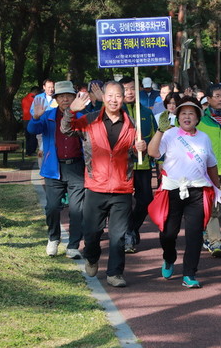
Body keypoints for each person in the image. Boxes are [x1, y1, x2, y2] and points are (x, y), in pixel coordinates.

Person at [61, 81, 146, 288]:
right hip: (95, 187)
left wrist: (140, 147)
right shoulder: (90, 120)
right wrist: (70, 112)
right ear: (103, 97)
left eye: (118, 95)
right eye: (110, 95)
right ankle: (91, 257)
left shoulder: (133, 124)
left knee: (117, 236)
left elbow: (138, 153)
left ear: (123, 98)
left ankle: (115, 273)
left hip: (122, 189)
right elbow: (66, 130)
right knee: (91, 234)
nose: (114, 100)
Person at [147, 96, 221, 288]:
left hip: (197, 192)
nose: (187, 117)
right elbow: (153, 152)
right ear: (178, 117)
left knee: (195, 234)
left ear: (198, 118)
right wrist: (160, 131)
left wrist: (218, 190)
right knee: (168, 233)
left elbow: (211, 165)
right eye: (183, 113)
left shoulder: (204, 138)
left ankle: (189, 274)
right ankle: (169, 257)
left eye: (191, 113)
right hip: (172, 191)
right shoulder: (170, 134)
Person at [27, 81, 85, 260]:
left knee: (77, 209)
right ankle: (53, 238)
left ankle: (74, 245)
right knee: (52, 206)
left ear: (74, 97)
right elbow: (32, 129)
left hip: (76, 167)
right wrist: (36, 117)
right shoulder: (48, 115)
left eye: (68, 95)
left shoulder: (81, 116)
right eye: (61, 96)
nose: (65, 99)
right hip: (54, 167)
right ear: (56, 99)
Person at [197, 84, 221, 258]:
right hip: (206, 171)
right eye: (217, 96)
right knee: (213, 208)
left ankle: (207, 234)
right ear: (208, 99)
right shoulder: (201, 120)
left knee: (219, 208)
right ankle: (215, 241)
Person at [119, 76, 158, 254]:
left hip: (143, 165)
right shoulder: (116, 112)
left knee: (146, 201)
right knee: (124, 203)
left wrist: (148, 148)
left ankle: (132, 228)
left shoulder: (147, 113)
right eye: (126, 89)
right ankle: (127, 235)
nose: (129, 92)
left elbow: (156, 138)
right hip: (123, 166)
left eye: (133, 88)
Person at [30, 79, 56, 164]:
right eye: (48, 87)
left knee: (52, 148)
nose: (51, 89)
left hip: (53, 127)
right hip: (41, 126)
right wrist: (39, 116)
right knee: (42, 148)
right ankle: (42, 169)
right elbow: (32, 111)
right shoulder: (39, 97)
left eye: (52, 87)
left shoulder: (57, 98)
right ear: (44, 87)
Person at [21, 86, 40, 156]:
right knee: (33, 136)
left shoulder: (24, 99)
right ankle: (32, 151)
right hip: (32, 118)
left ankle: (27, 151)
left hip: (25, 119)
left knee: (27, 137)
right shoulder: (34, 99)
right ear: (35, 92)